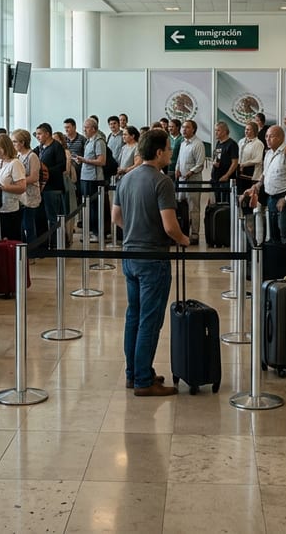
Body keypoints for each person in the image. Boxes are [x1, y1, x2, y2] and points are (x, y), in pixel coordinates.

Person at [112, 128, 190, 396]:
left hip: (130, 254)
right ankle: (144, 380)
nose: (170, 152)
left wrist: (136, 229)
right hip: (153, 258)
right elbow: (170, 226)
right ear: (158, 152)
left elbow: (116, 218)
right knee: (149, 320)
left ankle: (133, 374)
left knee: (133, 316)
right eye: (168, 148)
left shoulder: (127, 179)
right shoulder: (162, 181)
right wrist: (183, 239)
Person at [249, 125, 286, 243]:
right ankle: (276, 260)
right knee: (274, 235)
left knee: (285, 235)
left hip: (285, 199)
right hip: (271, 199)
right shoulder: (268, 154)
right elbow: (265, 174)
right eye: (266, 136)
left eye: (271, 136)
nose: (268, 139)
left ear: (280, 138)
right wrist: (257, 185)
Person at [174, 119, 206, 243]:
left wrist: (191, 172)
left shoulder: (198, 144)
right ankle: (183, 231)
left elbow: (200, 163)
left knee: (194, 208)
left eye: (187, 127)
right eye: (183, 127)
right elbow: (179, 160)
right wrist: (177, 168)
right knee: (182, 207)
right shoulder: (183, 143)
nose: (183, 129)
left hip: (193, 180)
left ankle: (194, 234)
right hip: (181, 181)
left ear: (193, 129)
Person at [77, 117, 108, 241]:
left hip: (94, 179)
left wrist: (85, 160)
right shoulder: (88, 141)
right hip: (86, 177)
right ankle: (91, 230)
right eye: (84, 127)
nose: (84, 130)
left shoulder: (99, 141)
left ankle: (98, 233)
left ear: (94, 128)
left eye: (87, 127)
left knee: (95, 207)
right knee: (88, 207)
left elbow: (101, 161)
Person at [0, 133, 26, 241]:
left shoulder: (15, 163)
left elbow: (21, 187)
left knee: (12, 238)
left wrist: (2, 187)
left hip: (10, 209)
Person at [36, 123, 66, 242]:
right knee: (43, 217)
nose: (37, 136)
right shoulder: (40, 148)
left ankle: (57, 243)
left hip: (53, 188)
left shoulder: (56, 147)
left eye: (39, 134)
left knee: (53, 218)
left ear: (47, 134)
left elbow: (62, 166)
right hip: (43, 187)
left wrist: (45, 170)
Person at [13, 129, 43, 245]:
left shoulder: (32, 156)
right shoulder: (18, 156)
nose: (13, 144)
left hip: (30, 195)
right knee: (22, 225)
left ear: (22, 142)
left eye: (15, 142)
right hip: (21, 195)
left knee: (28, 225)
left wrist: (19, 182)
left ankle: (32, 250)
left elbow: (34, 177)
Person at [209, 121, 238, 204]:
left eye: (218, 130)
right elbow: (218, 158)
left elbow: (235, 162)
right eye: (215, 130)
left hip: (226, 181)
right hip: (216, 179)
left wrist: (226, 175)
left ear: (225, 131)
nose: (215, 133)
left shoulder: (232, 144)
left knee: (225, 204)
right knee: (217, 204)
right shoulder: (218, 143)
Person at [237, 121, 265, 195]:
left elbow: (258, 159)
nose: (246, 131)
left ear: (254, 131)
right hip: (240, 173)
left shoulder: (258, 144)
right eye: (246, 129)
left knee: (249, 196)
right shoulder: (241, 141)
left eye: (248, 129)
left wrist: (243, 164)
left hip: (252, 175)